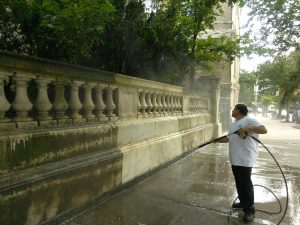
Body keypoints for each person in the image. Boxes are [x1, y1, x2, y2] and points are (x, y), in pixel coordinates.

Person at [216, 103, 267, 223]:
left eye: (233, 109)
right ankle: (243, 203)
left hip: (246, 158)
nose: (232, 110)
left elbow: (264, 129)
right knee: (239, 182)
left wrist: (248, 128)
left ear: (238, 110)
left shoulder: (249, 120)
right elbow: (229, 138)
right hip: (235, 158)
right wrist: (216, 140)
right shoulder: (234, 124)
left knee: (245, 183)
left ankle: (250, 210)